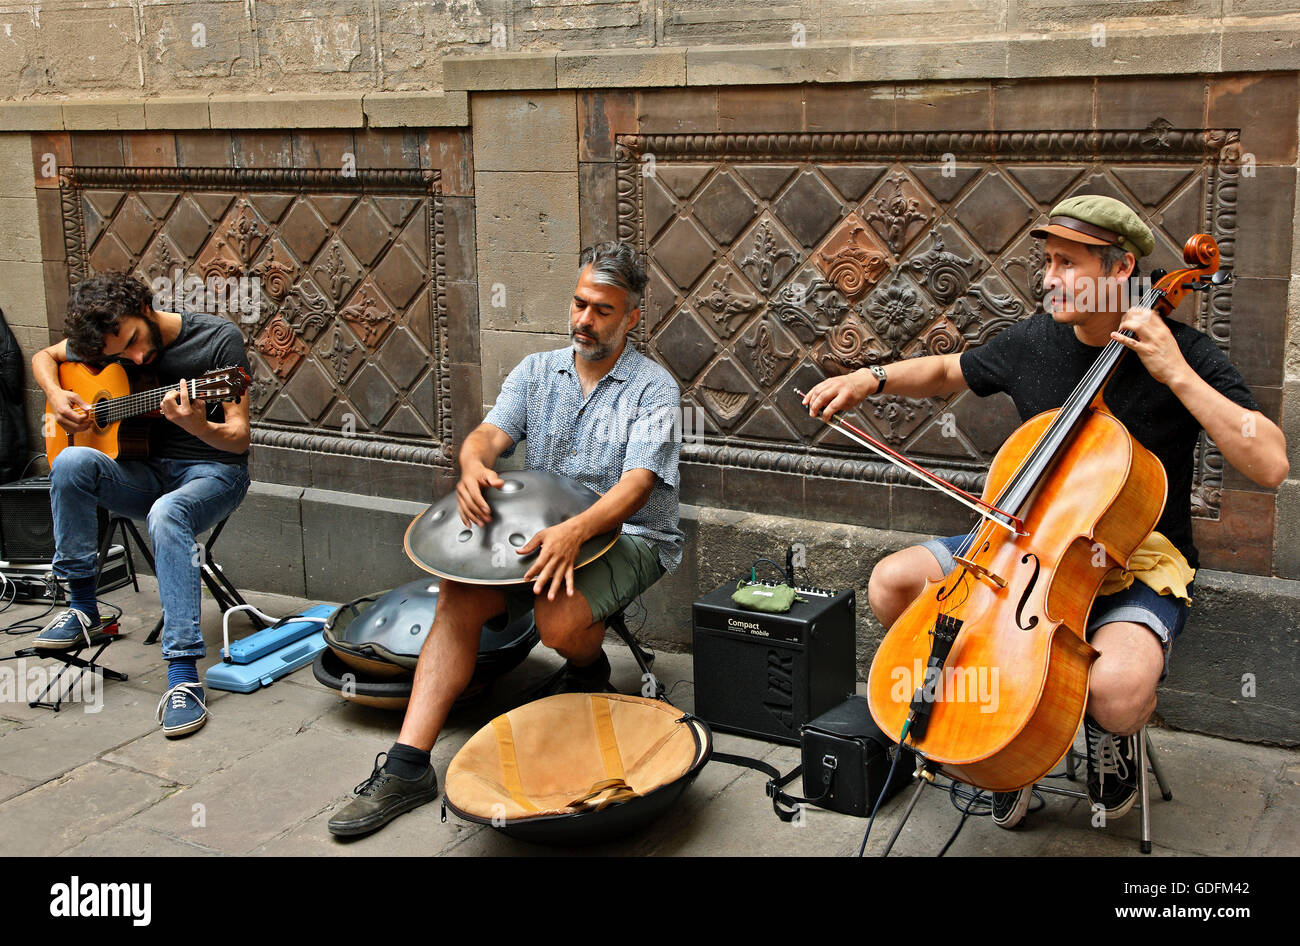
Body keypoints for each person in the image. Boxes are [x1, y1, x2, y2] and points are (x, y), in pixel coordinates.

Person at [803, 195, 1288, 829]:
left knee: (1114, 695)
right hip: (1024, 541)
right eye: (1048, 261)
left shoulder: (1185, 353)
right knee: (891, 584)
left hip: (1132, 555)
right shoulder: (1038, 338)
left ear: (1119, 272)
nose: (1048, 278)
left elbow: (1271, 463)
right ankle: (997, 733)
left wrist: (1177, 376)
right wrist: (872, 377)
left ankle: (1106, 741)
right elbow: (952, 368)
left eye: (1067, 263)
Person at [329, 241, 683, 837]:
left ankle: (587, 668)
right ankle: (407, 766)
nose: (583, 321)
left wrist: (574, 531)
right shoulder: (536, 371)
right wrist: (471, 466)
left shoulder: (653, 387)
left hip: (630, 534)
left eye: (601, 310)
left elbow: (637, 488)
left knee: (557, 619)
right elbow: (487, 436)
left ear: (631, 318)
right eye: (578, 304)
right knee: (455, 595)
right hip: (537, 535)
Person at [32, 272, 252, 738]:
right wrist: (56, 394)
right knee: (70, 459)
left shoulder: (217, 341)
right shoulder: (104, 344)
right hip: (143, 472)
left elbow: (238, 440)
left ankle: (182, 674)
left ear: (146, 307)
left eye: (133, 340)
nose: (134, 357)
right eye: (118, 355)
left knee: (167, 512)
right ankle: (83, 607)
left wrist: (196, 426)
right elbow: (44, 357)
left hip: (213, 473)